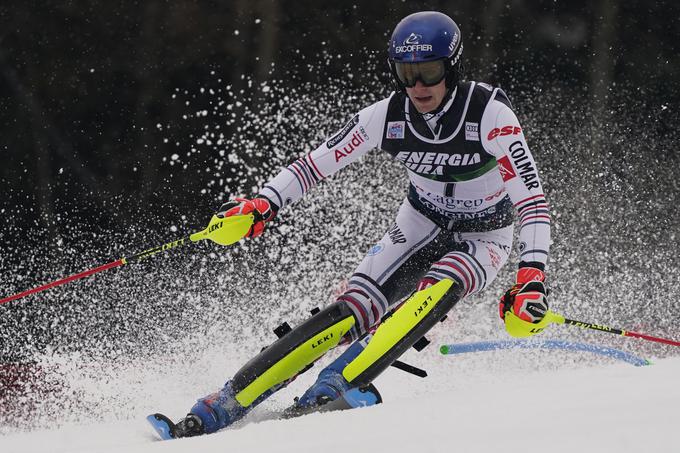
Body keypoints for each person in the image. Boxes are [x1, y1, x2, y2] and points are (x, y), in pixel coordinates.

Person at [150, 10, 551, 438]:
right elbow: (313, 166)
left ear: (452, 67)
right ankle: (222, 403)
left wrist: (531, 276)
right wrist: (261, 206)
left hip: (483, 235)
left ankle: (337, 384)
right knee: (352, 311)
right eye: (406, 73)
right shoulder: (385, 115)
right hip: (419, 223)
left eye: (429, 72)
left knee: (436, 290)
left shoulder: (489, 114)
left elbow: (532, 202)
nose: (417, 87)